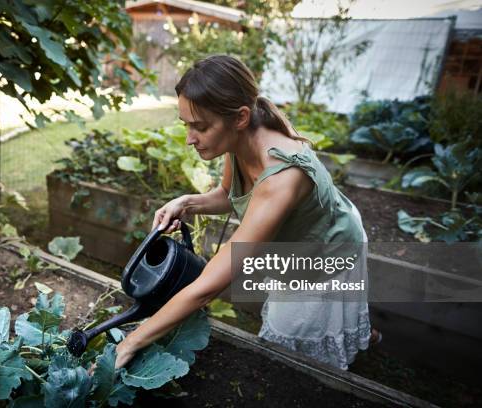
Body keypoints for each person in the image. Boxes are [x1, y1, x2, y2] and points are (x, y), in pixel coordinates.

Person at [113, 54, 381, 371]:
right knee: (328, 323)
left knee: (298, 357)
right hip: (304, 243)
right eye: (186, 125)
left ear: (240, 117)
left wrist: (132, 341)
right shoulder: (243, 138)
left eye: (200, 127)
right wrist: (186, 203)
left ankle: (356, 339)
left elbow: (208, 287)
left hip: (327, 254)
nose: (189, 139)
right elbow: (228, 195)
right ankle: (362, 332)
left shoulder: (281, 178)